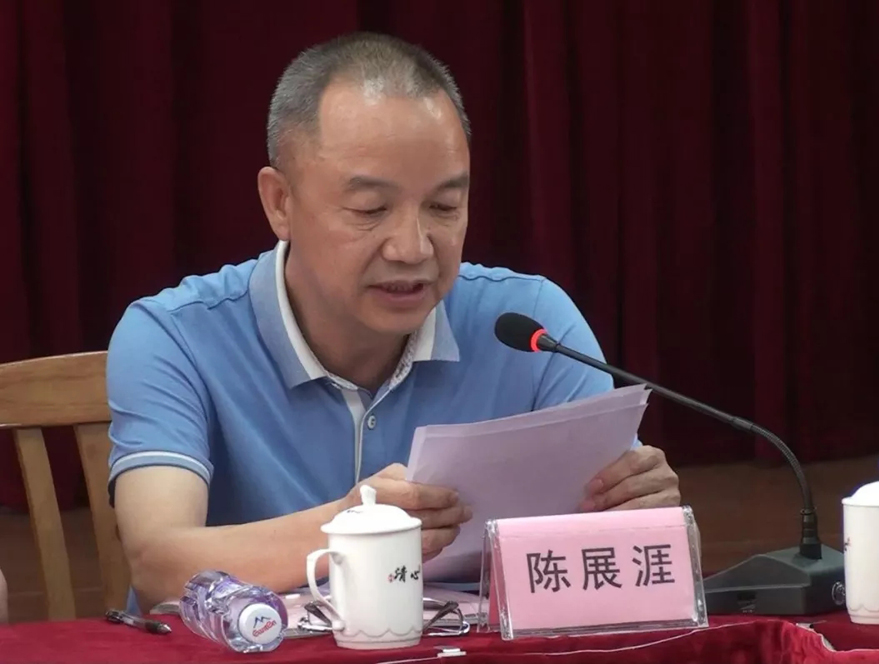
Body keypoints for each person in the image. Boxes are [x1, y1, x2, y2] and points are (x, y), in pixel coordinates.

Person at [107, 32, 679, 612]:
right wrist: (353, 527)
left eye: (444, 207)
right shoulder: (175, 336)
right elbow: (160, 564)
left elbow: (618, 563)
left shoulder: (530, 328)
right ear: (280, 202)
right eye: (371, 210)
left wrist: (645, 517)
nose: (412, 248)